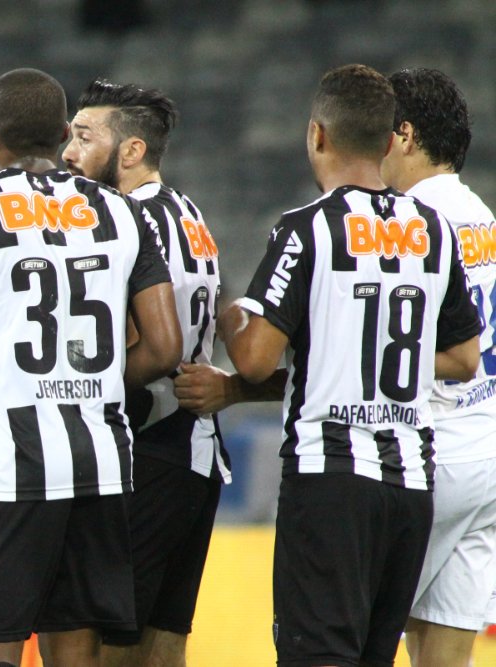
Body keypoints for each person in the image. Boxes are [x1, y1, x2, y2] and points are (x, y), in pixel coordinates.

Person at [0, 67, 184, 667]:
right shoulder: (121, 210)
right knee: (76, 652)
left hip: (13, 462)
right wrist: (96, 383)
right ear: (61, 132)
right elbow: (164, 347)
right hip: (103, 460)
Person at [219, 64, 480, 666]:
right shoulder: (435, 231)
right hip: (411, 486)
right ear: (391, 140)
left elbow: (256, 360)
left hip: (331, 479)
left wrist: (235, 312)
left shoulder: (307, 229)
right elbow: (465, 358)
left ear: (316, 135)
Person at [60, 78, 227, 667]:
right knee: (163, 642)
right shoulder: (188, 211)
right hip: (195, 453)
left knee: (107, 643)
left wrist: (77, 390)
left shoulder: (124, 220)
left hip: (147, 449)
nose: (68, 153)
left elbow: (145, 341)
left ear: (130, 151)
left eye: (84, 137)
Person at [380, 67, 496, 667]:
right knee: (445, 653)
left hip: (430, 450)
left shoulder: (411, 223)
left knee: (341, 634)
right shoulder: (481, 216)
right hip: (485, 447)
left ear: (402, 135)